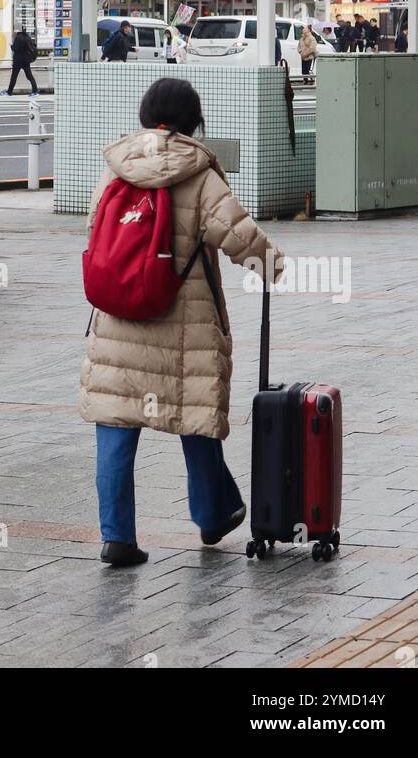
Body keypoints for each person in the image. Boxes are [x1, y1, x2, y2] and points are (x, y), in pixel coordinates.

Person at [80, 77, 283, 567]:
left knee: (115, 426)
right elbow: (240, 236)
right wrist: (272, 266)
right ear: (195, 121)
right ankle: (212, 514)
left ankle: (117, 538)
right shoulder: (199, 173)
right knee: (194, 416)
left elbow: (96, 234)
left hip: (119, 321)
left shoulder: (117, 169)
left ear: (146, 116)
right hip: (184, 324)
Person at [5, 27, 39, 96]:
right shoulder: (27, 37)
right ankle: (35, 91)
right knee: (29, 76)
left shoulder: (18, 38)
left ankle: (9, 92)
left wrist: (11, 46)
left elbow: (15, 49)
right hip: (26, 61)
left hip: (18, 60)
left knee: (14, 77)